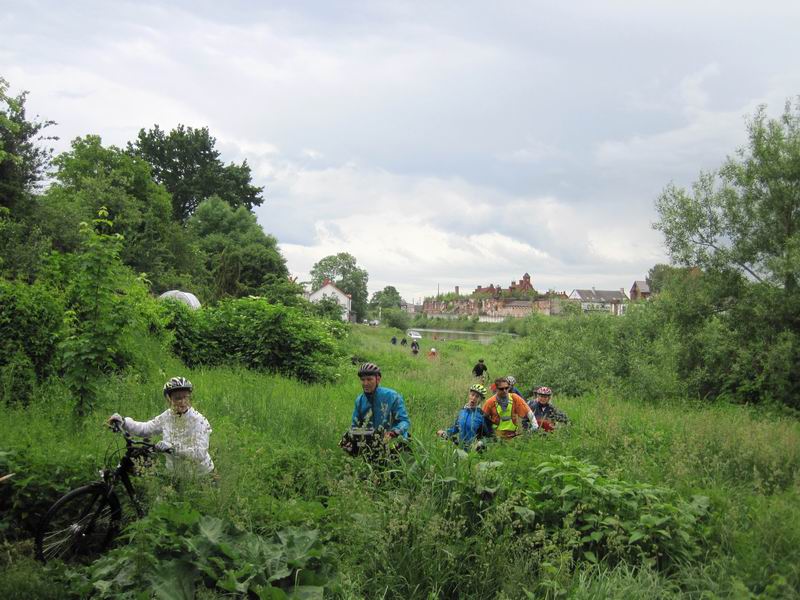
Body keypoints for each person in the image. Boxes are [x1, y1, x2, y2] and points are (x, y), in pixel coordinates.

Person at [107, 377, 214, 475]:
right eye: (177, 398)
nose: (183, 402)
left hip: (200, 476)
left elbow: (200, 453)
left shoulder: (199, 420)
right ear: (169, 399)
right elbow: (146, 428)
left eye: (185, 397)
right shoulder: (167, 416)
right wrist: (124, 422)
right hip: (175, 474)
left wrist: (173, 448)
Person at [349, 362, 410, 440]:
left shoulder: (393, 396)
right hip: (372, 441)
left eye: (369, 379)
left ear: (378, 379)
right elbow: (355, 426)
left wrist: (394, 432)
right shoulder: (359, 401)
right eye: (362, 380)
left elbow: (404, 421)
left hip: (394, 440)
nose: (365, 383)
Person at [437, 384, 494, 449]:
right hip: (460, 447)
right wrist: (445, 432)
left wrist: (481, 443)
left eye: (477, 396)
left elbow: (490, 437)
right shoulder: (462, 411)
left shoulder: (482, 415)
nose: (473, 398)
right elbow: (455, 428)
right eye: (472, 395)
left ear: (481, 400)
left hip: (474, 452)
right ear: (469, 395)